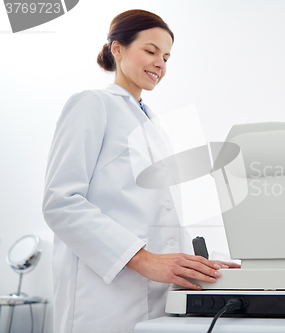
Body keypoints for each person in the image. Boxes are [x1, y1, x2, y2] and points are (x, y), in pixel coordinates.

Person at [43, 10, 238, 333]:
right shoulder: (93, 104)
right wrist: (144, 259)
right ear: (117, 49)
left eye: (166, 56)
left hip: (158, 298)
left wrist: (200, 262)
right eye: (150, 51)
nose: (160, 63)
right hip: (102, 299)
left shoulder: (155, 127)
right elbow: (61, 203)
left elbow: (161, 217)